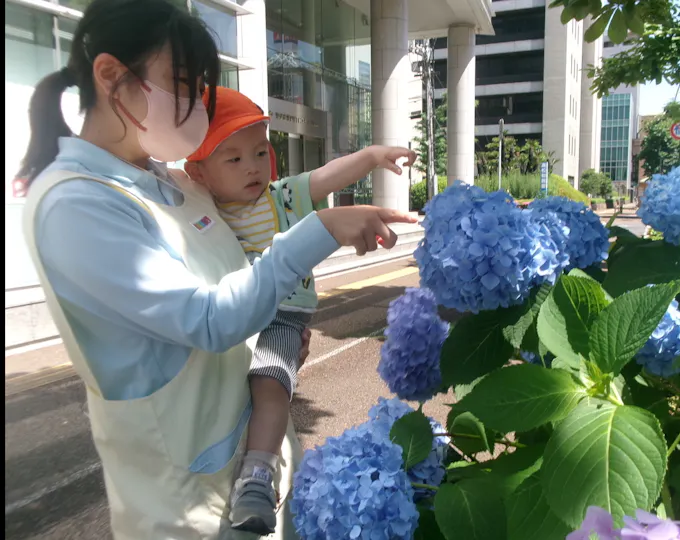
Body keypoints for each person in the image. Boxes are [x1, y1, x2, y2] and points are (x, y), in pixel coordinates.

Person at [17, 0, 416, 538]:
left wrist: (268, 334)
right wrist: (321, 230)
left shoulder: (178, 183)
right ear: (112, 77)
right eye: (182, 84)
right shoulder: (77, 205)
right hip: (190, 505)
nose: (197, 106)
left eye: (201, 88)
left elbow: (238, 281)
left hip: (253, 466)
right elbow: (207, 319)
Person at [183, 87, 417, 535]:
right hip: (233, 316)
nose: (252, 166)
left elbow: (327, 176)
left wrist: (370, 155)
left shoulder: (282, 196)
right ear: (199, 172)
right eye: (232, 159)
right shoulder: (203, 210)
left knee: (272, 385)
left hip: (285, 314)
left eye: (259, 151)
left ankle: (256, 478)